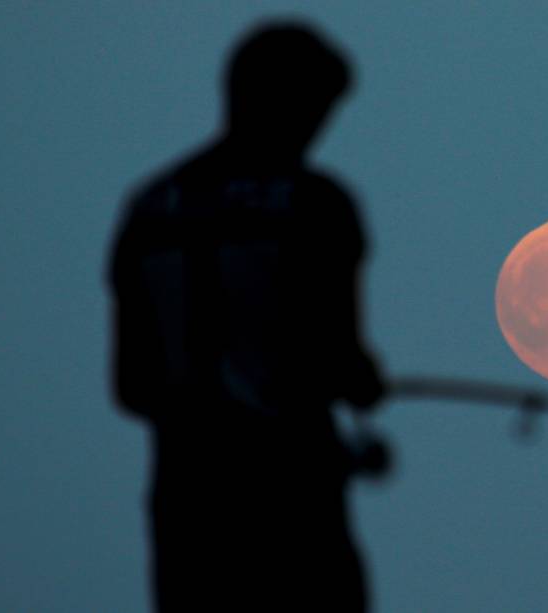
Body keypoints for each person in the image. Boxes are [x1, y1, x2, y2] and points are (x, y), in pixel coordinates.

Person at [106, 21, 384, 612]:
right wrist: (362, 383)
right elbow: (340, 359)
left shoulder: (150, 208)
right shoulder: (316, 205)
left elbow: (130, 386)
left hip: (185, 505)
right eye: (314, 107)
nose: (317, 128)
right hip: (293, 503)